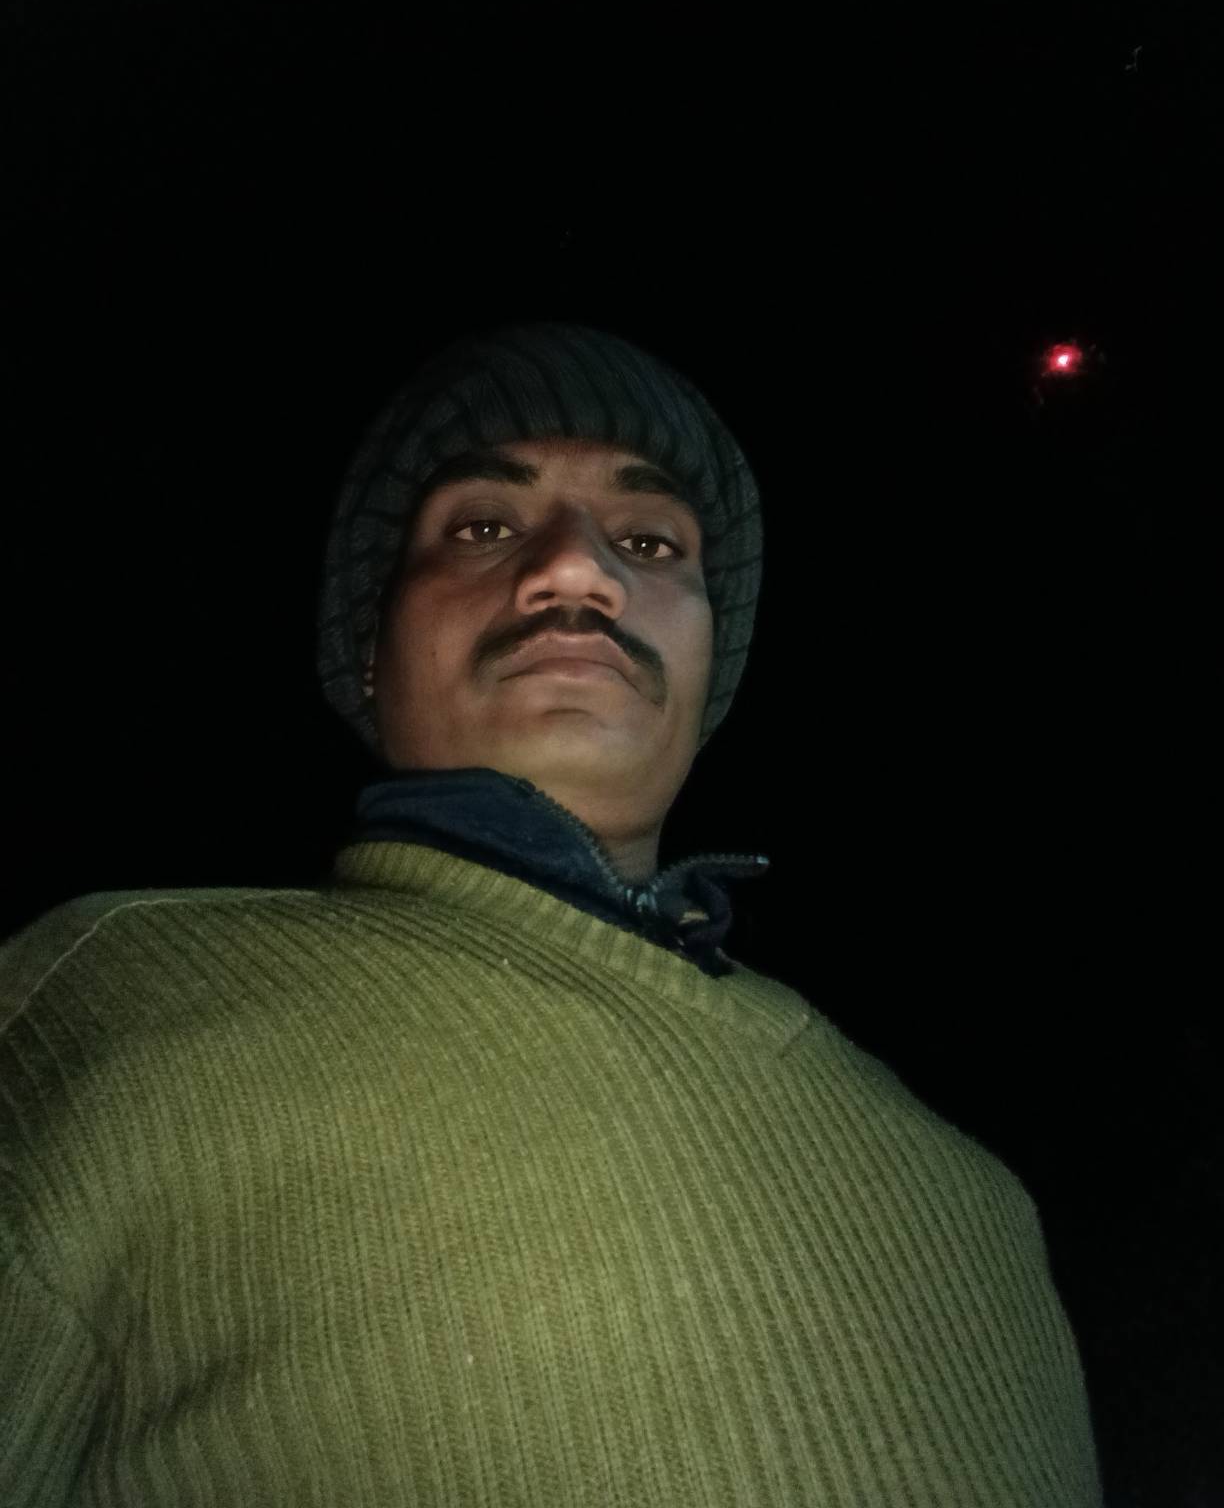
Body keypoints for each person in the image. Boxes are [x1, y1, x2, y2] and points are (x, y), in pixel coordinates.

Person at [0, 321, 1104, 1504]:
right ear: (371, 648)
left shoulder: (979, 1203)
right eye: (483, 526)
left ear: (708, 665)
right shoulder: (111, 997)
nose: (579, 571)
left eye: (650, 541)